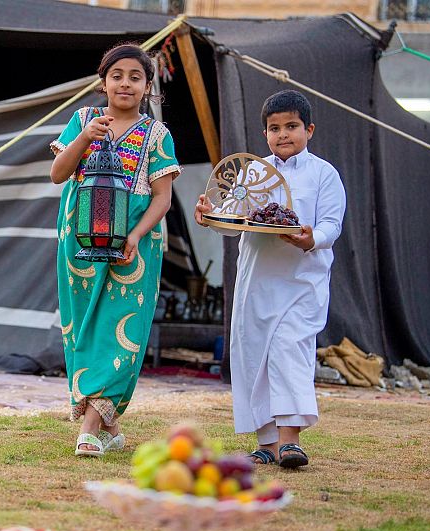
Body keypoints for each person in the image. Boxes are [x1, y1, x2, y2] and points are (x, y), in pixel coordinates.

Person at [194, 89, 346, 468]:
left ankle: (291, 439)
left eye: (291, 126)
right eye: (274, 128)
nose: (283, 135)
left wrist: (313, 239)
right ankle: (268, 443)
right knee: (254, 356)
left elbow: (331, 224)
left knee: (287, 350)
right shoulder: (253, 171)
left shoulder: (323, 174)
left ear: (309, 130)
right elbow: (231, 223)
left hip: (301, 284)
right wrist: (210, 215)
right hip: (256, 283)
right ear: (265, 134)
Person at [50, 44, 181, 457]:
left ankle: (89, 429)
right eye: (118, 75)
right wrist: (84, 139)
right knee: (84, 328)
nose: (126, 83)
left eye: (135, 77)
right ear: (103, 81)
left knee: (122, 328)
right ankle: (109, 425)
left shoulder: (157, 135)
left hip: (133, 246)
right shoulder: (83, 120)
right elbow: (57, 174)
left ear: (147, 86)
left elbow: (162, 198)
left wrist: (137, 235)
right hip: (79, 241)